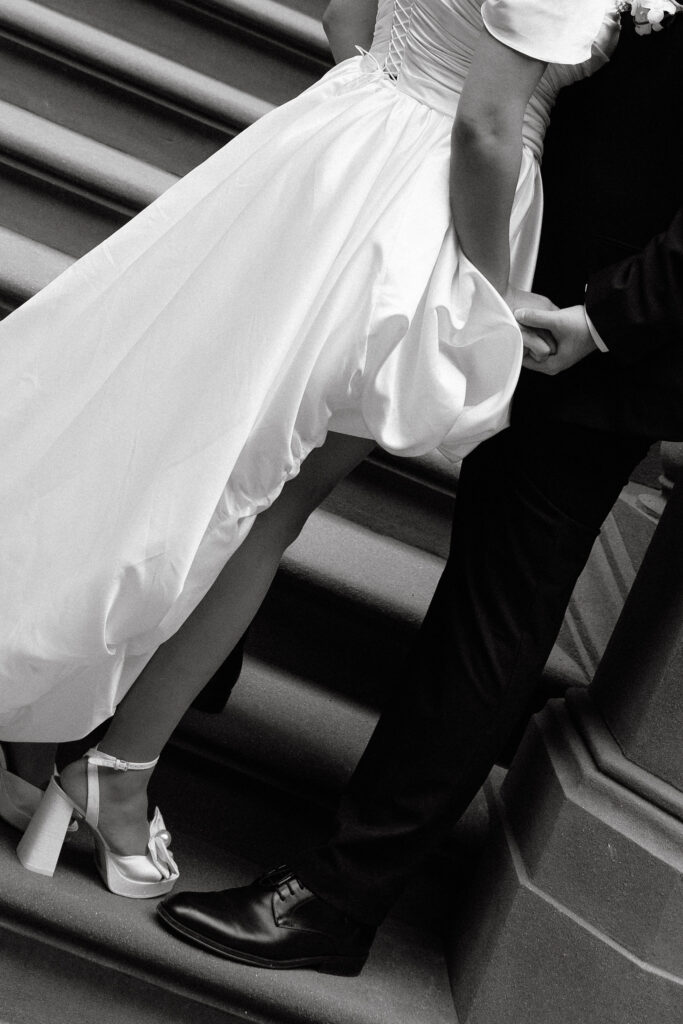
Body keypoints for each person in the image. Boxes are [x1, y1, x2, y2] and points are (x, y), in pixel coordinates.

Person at [2, 1, 616, 900]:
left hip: (336, 144)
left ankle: (36, 717)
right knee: (271, 500)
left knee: (175, 424)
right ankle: (119, 766)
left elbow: (344, 9)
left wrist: (380, 110)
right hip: (425, 205)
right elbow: (486, 125)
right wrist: (495, 295)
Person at [154, 3, 683, 975]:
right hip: (477, 218)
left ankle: (337, 897)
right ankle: (181, 662)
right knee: (277, 428)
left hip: (597, 330)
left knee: (492, 605)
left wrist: (609, 316)